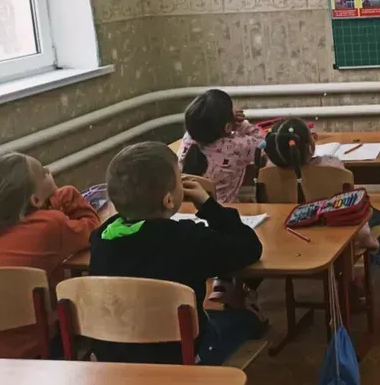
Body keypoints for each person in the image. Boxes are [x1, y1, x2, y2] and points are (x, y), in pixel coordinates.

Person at [89, 142, 264, 365]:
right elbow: (249, 247)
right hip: (180, 357)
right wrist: (208, 205)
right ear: (169, 200)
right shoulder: (186, 239)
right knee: (246, 320)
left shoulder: (101, 239)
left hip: (116, 358)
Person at [0, 153, 100, 359]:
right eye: (44, 173)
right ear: (35, 200)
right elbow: (93, 229)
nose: (49, 171)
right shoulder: (50, 225)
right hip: (32, 356)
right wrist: (69, 194)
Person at [263, 118, 380, 254]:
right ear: (310, 147)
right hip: (335, 239)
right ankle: (375, 265)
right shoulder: (334, 169)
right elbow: (351, 211)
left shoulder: (266, 173)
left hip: (285, 237)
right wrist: (368, 240)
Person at [179, 89, 261, 204]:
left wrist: (228, 119)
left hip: (187, 209)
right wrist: (240, 124)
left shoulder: (188, 139)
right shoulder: (237, 147)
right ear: (227, 127)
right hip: (224, 211)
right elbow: (263, 143)